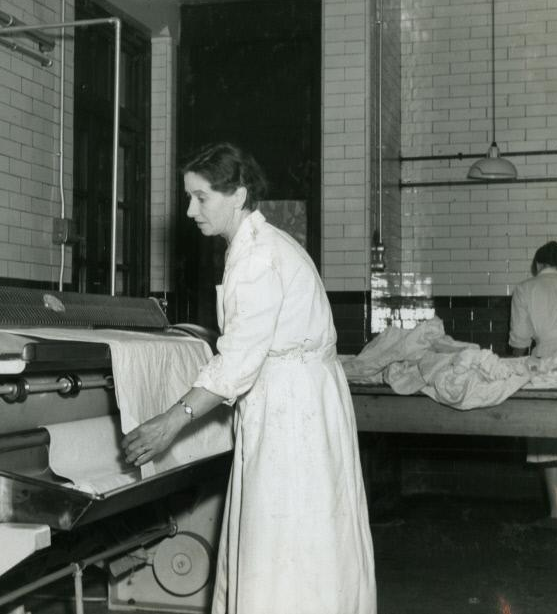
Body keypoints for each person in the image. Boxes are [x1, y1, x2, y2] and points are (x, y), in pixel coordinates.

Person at [121, 142, 376, 614]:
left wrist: (169, 423)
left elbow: (237, 362)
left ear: (237, 195)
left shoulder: (257, 257)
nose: (190, 210)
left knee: (285, 537)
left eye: (201, 198)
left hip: (291, 407)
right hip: (297, 399)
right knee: (300, 534)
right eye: (189, 197)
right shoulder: (259, 245)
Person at [509, 240, 557, 526]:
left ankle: (555, 513)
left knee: (549, 438)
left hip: (547, 369)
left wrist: (514, 369)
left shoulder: (526, 289)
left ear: (538, 265)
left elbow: (519, 342)